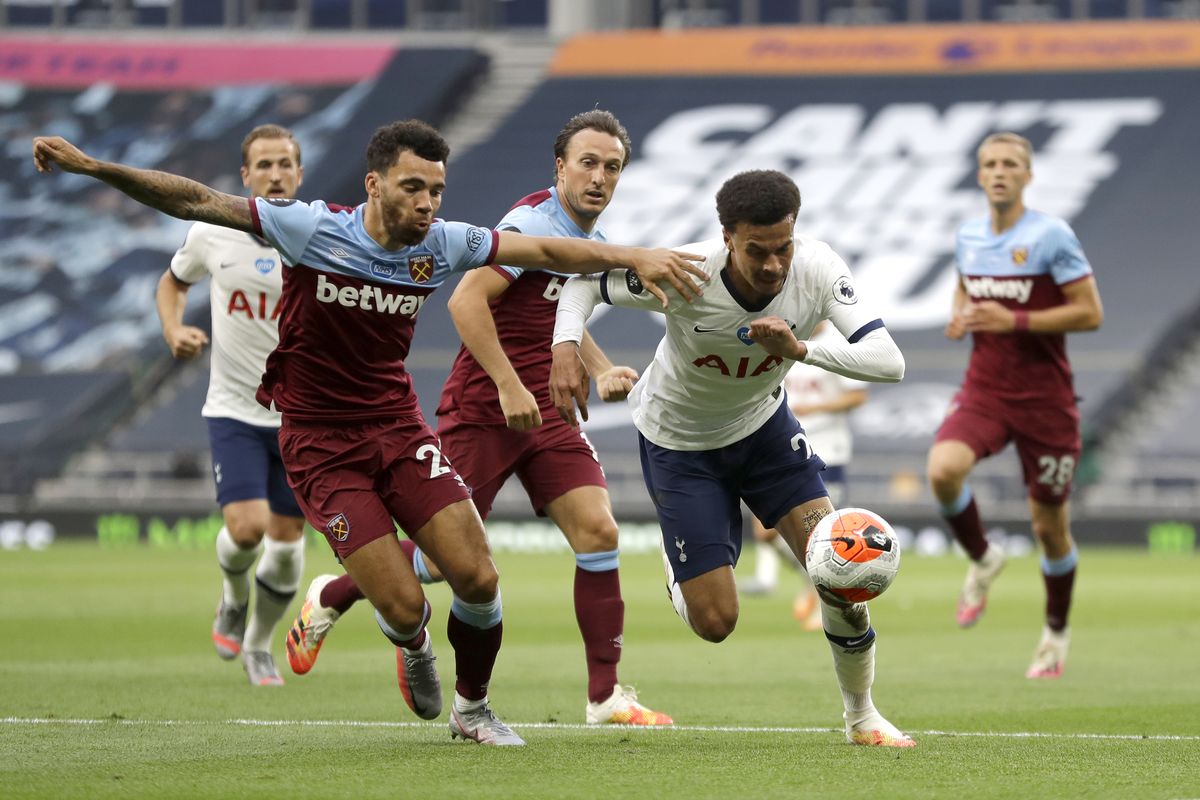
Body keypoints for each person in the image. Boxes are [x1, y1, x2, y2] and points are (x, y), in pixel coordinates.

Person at [32, 121, 704, 747]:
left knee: (476, 575)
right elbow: (195, 201)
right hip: (321, 445)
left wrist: (634, 255)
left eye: (437, 190)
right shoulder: (309, 230)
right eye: (413, 188)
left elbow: (551, 251)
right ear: (374, 185)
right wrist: (92, 166)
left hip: (397, 427)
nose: (427, 204)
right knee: (410, 604)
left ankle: (473, 710)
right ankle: (411, 643)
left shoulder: (442, 243)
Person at [288, 110, 672, 726]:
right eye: (588, 164)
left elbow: (557, 315)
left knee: (599, 532)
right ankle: (334, 593)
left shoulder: (585, 233)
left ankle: (606, 696)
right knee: (445, 565)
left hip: (545, 408)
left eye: (612, 167)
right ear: (560, 168)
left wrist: (596, 368)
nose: (600, 177)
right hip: (486, 406)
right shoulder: (531, 223)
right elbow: (467, 300)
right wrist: (508, 382)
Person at [550, 169, 915, 747]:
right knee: (717, 623)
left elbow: (888, 360)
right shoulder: (683, 273)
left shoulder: (818, 268)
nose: (774, 265)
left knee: (837, 573)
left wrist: (801, 350)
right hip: (679, 444)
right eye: (756, 251)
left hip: (765, 431)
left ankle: (862, 715)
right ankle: (679, 560)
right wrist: (566, 347)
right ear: (726, 238)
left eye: (783, 248)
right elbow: (582, 285)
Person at [926, 132, 1103, 679]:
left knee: (1049, 526)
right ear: (979, 175)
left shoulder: (1051, 236)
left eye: (1010, 164)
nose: (999, 171)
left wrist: (1015, 320)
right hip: (986, 387)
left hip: (1046, 399)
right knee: (942, 471)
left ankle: (1055, 632)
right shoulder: (969, 235)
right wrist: (961, 315)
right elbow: (964, 290)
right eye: (989, 164)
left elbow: (1090, 313)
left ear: (1027, 176)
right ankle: (983, 558)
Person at [155, 124, 307, 686]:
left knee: (288, 546)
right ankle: (231, 597)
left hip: (300, 417)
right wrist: (173, 329)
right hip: (235, 410)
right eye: (263, 165)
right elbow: (172, 283)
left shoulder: (319, 235)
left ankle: (259, 645)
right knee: (247, 529)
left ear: (299, 172)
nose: (274, 174)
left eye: (284, 164)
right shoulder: (211, 234)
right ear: (245, 175)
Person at [742, 320, 868, 631]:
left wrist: (819, 406)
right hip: (784, 449)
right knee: (764, 532)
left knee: (824, 536)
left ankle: (831, 605)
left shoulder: (838, 346)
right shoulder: (782, 341)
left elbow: (858, 396)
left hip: (828, 451)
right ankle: (812, 580)